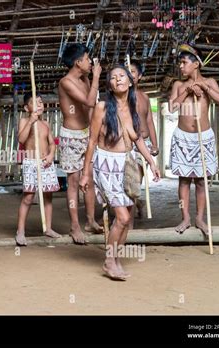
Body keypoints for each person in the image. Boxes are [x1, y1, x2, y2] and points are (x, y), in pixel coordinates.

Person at [79, 65, 160, 280]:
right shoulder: (102, 107)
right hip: (105, 166)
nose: (118, 80)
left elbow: (137, 138)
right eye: (113, 78)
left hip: (126, 164)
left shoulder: (133, 107)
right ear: (110, 85)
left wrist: (152, 163)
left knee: (126, 217)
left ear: (131, 81)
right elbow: (92, 140)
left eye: (122, 76)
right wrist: (86, 173)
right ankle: (108, 261)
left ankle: (115, 260)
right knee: (122, 217)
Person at [169, 44, 219, 235]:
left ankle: (200, 218)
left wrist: (204, 88)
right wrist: (187, 90)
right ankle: (185, 218)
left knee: (201, 181)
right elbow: (172, 108)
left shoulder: (210, 81)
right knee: (184, 181)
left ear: (196, 65)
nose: (181, 67)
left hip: (203, 137)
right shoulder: (178, 85)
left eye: (184, 63)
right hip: (183, 138)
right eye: (180, 63)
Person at [58, 43, 103, 244]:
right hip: (71, 137)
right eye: (87, 58)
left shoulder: (84, 79)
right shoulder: (66, 82)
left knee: (90, 178)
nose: (90, 62)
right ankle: (75, 226)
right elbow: (89, 102)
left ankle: (90, 221)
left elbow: (92, 109)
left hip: (86, 135)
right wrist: (96, 78)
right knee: (74, 182)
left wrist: (97, 132)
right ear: (78, 62)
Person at [15, 92, 61, 246]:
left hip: (46, 162)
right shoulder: (24, 121)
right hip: (31, 162)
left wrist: (50, 156)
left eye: (40, 102)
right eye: (35, 102)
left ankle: (48, 228)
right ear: (27, 107)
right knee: (28, 197)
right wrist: (31, 121)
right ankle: (20, 231)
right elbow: (21, 139)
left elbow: (52, 143)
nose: (39, 105)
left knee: (48, 196)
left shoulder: (46, 124)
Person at [128, 60, 159, 224]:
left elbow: (150, 122)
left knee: (134, 182)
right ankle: (138, 205)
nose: (129, 74)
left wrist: (155, 144)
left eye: (133, 71)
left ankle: (130, 222)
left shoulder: (144, 97)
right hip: (125, 145)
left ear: (139, 76)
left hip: (142, 145)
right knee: (125, 184)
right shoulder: (120, 98)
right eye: (126, 71)